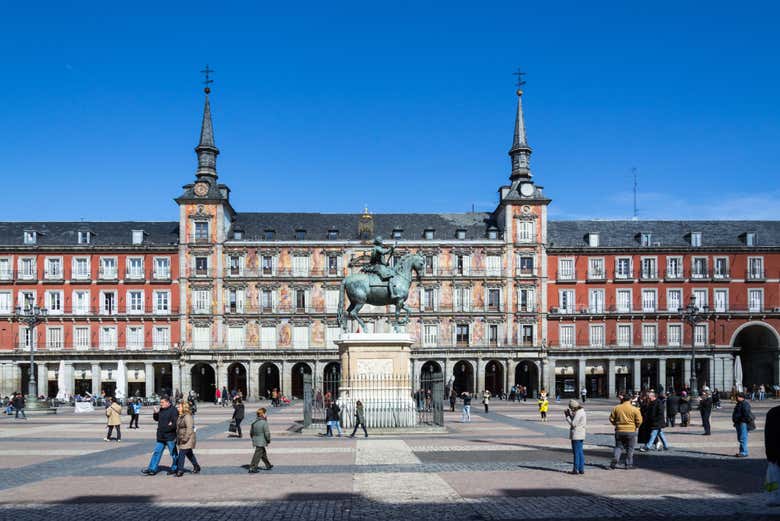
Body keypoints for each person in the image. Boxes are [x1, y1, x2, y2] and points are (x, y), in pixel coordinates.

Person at [142, 396, 179, 475]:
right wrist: (155, 413)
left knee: (173, 453)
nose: (160, 404)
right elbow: (157, 419)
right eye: (160, 402)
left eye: (162, 402)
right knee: (157, 452)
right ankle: (152, 469)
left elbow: (175, 424)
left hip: (170, 436)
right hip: (161, 436)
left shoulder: (174, 410)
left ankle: (175, 468)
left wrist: (168, 427)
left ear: (168, 402)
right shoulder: (161, 409)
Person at [609, 391, 643, 469]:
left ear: (623, 399)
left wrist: (616, 424)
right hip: (631, 430)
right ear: (630, 400)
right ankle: (628, 464)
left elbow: (611, 418)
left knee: (618, 447)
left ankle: (616, 458)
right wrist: (636, 426)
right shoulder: (635, 409)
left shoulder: (617, 408)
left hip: (619, 430)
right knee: (630, 448)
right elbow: (639, 420)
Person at [174, 401, 200, 476]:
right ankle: (196, 466)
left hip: (187, 438)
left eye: (179, 407)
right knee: (189, 454)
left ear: (184, 408)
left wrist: (185, 438)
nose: (178, 408)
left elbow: (189, 429)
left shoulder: (187, 416)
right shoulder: (181, 416)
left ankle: (180, 470)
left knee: (181, 453)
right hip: (182, 437)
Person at [565, 399, 586, 475]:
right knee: (580, 452)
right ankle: (581, 469)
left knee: (576, 453)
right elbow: (576, 421)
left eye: (571, 408)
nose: (571, 409)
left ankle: (575, 469)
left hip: (577, 434)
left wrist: (567, 416)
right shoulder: (581, 411)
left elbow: (573, 424)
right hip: (580, 434)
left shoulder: (579, 413)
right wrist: (570, 415)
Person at [248, 407, 273, 473]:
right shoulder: (264, 423)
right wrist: (268, 440)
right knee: (257, 455)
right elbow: (267, 433)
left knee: (263, 453)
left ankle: (268, 465)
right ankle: (252, 467)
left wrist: (254, 438)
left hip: (256, 440)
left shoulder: (254, 422)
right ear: (263, 414)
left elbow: (251, 433)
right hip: (261, 441)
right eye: (265, 413)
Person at [765, 403, 780, 506]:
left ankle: (776, 497)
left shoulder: (773, 412)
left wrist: (769, 454)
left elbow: (768, 435)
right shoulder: (773, 412)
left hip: (776, 453)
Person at [732, 392, 753, 457]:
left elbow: (746, 414)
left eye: (737, 397)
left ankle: (744, 452)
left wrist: (742, 421)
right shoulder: (739, 403)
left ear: (742, 397)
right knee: (740, 438)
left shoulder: (745, 404)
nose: (736, 398)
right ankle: (742, 451)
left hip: (742, 423)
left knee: (742, 438)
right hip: (738, 423)